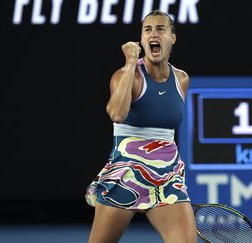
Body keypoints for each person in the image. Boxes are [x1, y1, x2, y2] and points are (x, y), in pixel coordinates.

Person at [85, 10, 198, 243]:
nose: (153, 34)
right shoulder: (126, 75)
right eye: (147, 30)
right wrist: (129, 63)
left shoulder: (182, 79)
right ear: (142, 39)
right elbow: (117, 113)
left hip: (166, 177)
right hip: (126, 174)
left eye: (160, 29)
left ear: (172, 38)